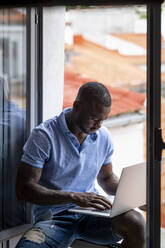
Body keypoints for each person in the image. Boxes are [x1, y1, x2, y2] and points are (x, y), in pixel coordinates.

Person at [16, 82, 146, 248]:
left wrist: (134, 197)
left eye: (103, 120)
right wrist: (73, 197)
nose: (99, 125)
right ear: (77, 106)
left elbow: (106, 179)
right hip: (54, 217)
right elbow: (24, 189)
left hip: (91, 214)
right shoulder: (44, 135)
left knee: (136, 222)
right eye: (94, 118)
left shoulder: (102, 136)